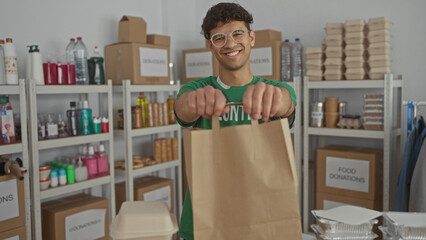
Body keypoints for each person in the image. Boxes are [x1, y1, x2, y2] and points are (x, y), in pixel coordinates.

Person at [174, 2, 296, 240]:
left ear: (251, 38)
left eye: (237, 33)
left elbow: (287, 104)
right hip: (206, 220)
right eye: (219, 38)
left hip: (262, 218)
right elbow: (182, 108)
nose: (230, 44)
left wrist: (278, 100)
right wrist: (194, 102)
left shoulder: (274, 88)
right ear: (210, 45)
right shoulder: (196, 88)